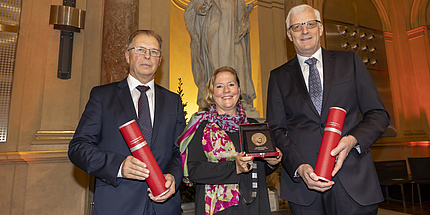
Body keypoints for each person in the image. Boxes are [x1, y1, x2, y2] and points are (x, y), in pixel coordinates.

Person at [266, 4, 390, 215]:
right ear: (289, 34)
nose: (304, 31)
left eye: (310, 24)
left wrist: (352, 140)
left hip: (354, 181)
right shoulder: (278, 77)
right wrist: (299, 167)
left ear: (320, 28)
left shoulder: (350, 62)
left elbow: (378, 115)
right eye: (297, 27)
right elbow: (276, 130)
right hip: (305, 188)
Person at [68, 30, 186, 215]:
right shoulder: (103, 96)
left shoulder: (173, 101)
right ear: (127, 56)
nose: (148, 56)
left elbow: (179, 150)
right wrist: (119, 166)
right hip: (117, 205)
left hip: (165, 206)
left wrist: (173, 176)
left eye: (154, 51)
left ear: (160, 59)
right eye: (140, 49)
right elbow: (78, 148)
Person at [178, 66, 282, 215]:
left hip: (255, 206)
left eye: (231, 84)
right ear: (212, 93)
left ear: (238, 90)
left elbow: (259, 168)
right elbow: (193, 171)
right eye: (219, 86)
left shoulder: (254, 126)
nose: (226, 90)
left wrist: (272, 162)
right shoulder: (201, 127)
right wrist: (235, 167)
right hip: (217, 209)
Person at [184, 0, 256, 109]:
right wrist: (203, 7)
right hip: (215, 32)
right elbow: (196, 6)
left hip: (234, 33)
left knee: (239, 63)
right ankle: (212, 101)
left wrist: (245, 26)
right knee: (215, 67)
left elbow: (242, 14)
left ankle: (241, 98)